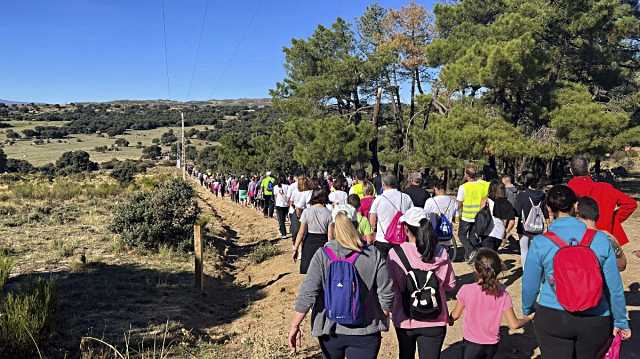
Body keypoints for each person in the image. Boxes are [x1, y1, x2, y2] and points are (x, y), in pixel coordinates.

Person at [522, 185, 630, 358]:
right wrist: (621, 320)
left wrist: (527, 308)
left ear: (549, 209)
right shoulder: (601, 239)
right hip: (596, 316)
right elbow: (614, 287)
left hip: (552, 315)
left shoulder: (541, 242)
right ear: (575, 207)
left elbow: (530, 284)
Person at [288, 211, 394, 359]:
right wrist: (382, 314)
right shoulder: (373, 254)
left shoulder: (322, 255)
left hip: (330, 329)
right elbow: (386, 292)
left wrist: (295, 325)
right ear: (357, 226)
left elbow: (308, 293)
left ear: (333, 228)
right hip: (366, 331)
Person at [388, 207, 456, 359]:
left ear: (406, 228)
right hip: (435, 318)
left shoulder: (395, 254)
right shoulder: (441, 252)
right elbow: (450, 285)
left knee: (405, 355)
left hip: (406, 318)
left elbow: (391, 287)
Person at [450, 248, 532, 359]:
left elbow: (455, 315)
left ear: (476, 269)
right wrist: (529, 317)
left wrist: (448, 319)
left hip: (471, 343)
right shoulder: (503, 294)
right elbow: (514, 324)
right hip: (491, 345)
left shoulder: (466, 290)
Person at [567, 155, 637, 247]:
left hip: (578, 240)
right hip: (606, 239)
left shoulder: (568, 191)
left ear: (571, 171)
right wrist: (612, 219)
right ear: (587, 170)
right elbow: (630, 204)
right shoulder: (605, 187)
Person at [576, 196, 627, 272]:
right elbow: (622, 265)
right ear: (598, 216)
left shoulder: (573, 237)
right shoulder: (608, 237)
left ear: (577, 216)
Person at [369, 174, 414, 256]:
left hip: (382, 239)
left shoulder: (379, 199)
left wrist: (373, 231)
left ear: (383, 184)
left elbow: (372, 220)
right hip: (401, 238)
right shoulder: (406, 197)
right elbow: (412, 216)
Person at [292, 189, 332, 274]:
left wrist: (295, 249)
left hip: (309, 243)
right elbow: (330, 237)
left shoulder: (307, 211)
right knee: (322, 271)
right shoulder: (328, 213)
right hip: (323, 243)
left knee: (309, 271)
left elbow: (301, 233)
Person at [457, 164, 490, 262]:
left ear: (466, 175)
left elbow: (459, 203)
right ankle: (470, 256)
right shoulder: (482, 185)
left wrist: (456, 214)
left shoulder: (463, 187)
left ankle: (471, 251)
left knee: (461, 235)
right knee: (472, 237)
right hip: (478, 217)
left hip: (467, 216)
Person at [514, 173, 548, 267]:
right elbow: (545, 212)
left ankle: (526, 271)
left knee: (524, 250)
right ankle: (536, 269)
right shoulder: (543, 195)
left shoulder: (522, 195)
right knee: (535, 251)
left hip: (523, 227)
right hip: (538, 226)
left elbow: (517, 211)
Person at [482, 181, 516, 252]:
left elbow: (480, 215)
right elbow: (512, 222)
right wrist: (506, 232)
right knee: (493, 252)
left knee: (487, 255)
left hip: (487, 232)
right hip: (499, 234)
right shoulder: (507, 203)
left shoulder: (486, 201)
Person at [274, 175, 290, 240]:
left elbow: (275, 196)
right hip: (286, 205)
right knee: (283, 219)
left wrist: (275, 203)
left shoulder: (275, 187)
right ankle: (281, 230)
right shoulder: (288, 187)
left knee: (281, 220)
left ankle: (283, 234)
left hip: (279, 204)